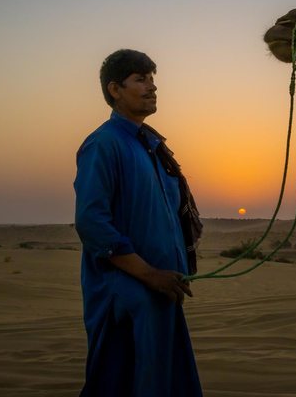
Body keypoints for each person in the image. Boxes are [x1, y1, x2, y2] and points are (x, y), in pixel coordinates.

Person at [74, 49, 203, 396]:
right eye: (141, 79)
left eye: (152, 79)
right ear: (115, 90)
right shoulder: (104, 145)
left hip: (161, 294)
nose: (152, 87)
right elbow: (92, 224)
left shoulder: (151, 147)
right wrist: (149, 275)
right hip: (127, 299)